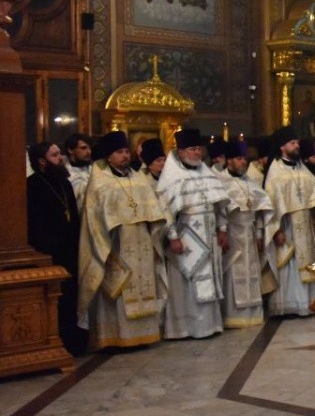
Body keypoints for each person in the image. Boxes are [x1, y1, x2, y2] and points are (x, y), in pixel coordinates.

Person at [77, 130, 168, 350]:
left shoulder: (139, 180)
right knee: (119, 289)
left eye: (127, 151)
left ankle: (145, 335)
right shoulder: (99, 183)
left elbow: (155, 211)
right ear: (109, 156)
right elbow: (92, 220)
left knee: (144, 285)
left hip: (143, 242)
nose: (125, 156)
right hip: (115, 245)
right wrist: (104, 248)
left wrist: (155, 230)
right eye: (119, 152)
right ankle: (116, 337)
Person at [157, 128, 230, 340]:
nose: (197, 153)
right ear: (180, 152)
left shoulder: (206, 172)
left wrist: (223, 229)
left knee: (209, 278)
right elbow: (165, 210)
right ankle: (185, 327)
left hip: (209, 234)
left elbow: (220, 205)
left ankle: (210, 325)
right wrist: (172, 237)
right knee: (186, 282)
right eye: (192, 149)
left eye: (199, 149)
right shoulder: (172, 177)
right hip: (186, 236)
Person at [26, 141, 87, 355]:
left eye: (59, 154)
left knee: (71, 297)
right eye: (54, 155)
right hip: (48, 252)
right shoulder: (32, 186)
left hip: (70, 249)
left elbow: (74, 215)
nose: (60, 158)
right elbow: (33, 224)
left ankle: (73, 341)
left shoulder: (64, 183)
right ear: (41, 161)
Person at [263, 126, 315, 317]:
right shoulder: (275, 172)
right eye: (292, 143)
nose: (297, 146)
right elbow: (270, 205)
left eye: (297, 143)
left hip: (305, 222)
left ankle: (308, 303)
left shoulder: (303, 168)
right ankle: (287, 304)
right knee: (289, 265)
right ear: (282, 147)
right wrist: (275, 230)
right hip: (287, 226)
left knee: (306, 262)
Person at [220, 140, 274, 328]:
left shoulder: (250, 182)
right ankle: (232, 316)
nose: (243, 162)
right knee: (233, 273)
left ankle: (253, 314)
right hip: (233, 233)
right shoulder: (221, 182)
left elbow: (260, 210)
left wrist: (259, 234)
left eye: (244, 158)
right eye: (239, 158)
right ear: (229, 161)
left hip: (250, 233)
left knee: (252, 272)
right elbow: (219, 210)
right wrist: (222, 232)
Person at [64, 133, 93, 204]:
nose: (89, 152)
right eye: (83, 148)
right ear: (70, 150)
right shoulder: (64, 174)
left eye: (89, 148)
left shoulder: (94, 170)